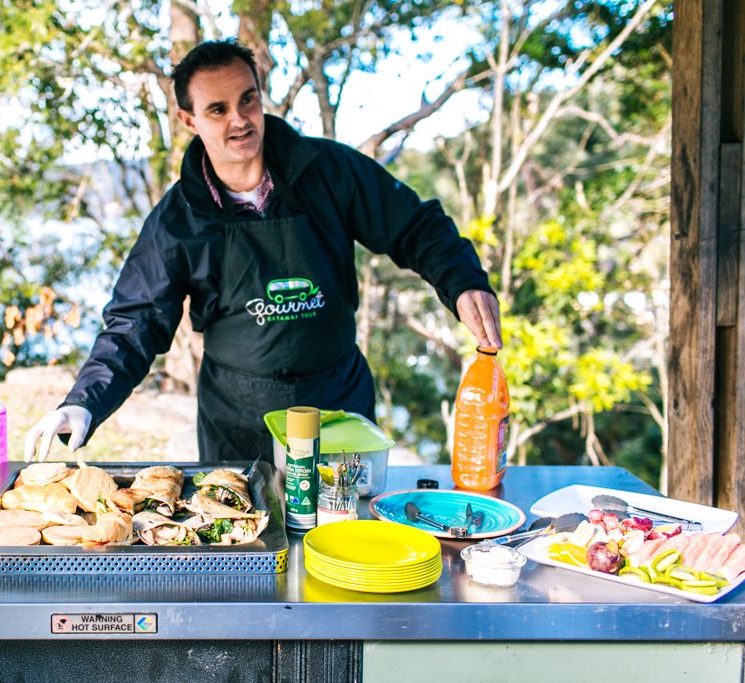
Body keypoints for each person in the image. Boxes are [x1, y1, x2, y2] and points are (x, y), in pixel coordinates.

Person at [25, 39, 501, 464]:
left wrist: (462, 282)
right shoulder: (176, 221)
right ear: (188, 119)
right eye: (217, 109)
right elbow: (135, 325)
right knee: (244, 552)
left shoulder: (330, 171)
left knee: (342, 550)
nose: (239, 120)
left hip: (337, 402)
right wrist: (84, 402)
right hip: (238, 419)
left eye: (247, 99)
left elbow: (415, 226)